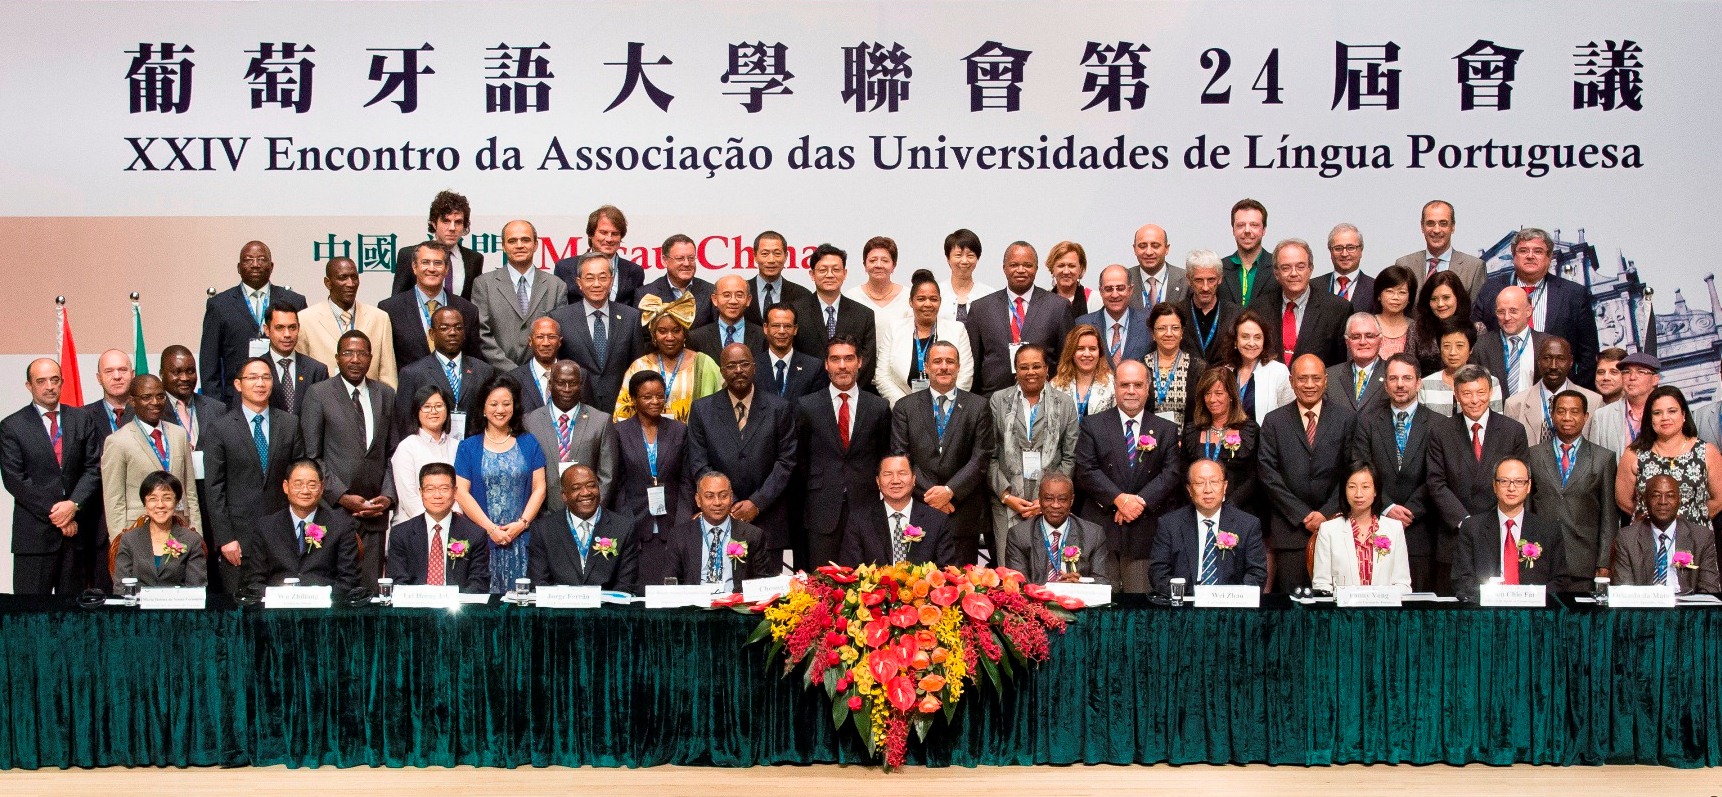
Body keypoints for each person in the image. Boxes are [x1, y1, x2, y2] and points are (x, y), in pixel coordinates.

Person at [1073, 360, 1183, 593]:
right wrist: (1120, 499)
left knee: (1140, 605)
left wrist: (1139, 501)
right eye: (1125, 385)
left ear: (1148, 388)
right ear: (1115, 387)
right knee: (1100, 604)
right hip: (1102, 529)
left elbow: (1172, 473)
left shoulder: (1166, 429)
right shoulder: (1093, 425)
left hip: (1145, 531)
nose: (1131, 391)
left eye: (1137, 385)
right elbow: (1085, 470)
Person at [301, 330, 397, 590]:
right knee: (335, 591)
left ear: (370, 358)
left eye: (361, 353)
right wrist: (342, 496)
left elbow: (392, 452)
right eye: (348, 353)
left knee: (370, 592)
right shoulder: (318, 394)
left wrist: (387, 496)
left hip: (375, 512)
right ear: (337, 358)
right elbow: (312, 456)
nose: (355, 359)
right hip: (333, 512)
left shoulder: (385, 394)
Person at [687, 343, 799, 561]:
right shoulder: (702, 410)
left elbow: (786, 462)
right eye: (731, 366)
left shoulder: (779, 408)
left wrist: (757, 503)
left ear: (754, 367)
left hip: (769, 520)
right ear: (722, 371)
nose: (738, 370)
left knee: (768, 584)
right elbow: (699, 463)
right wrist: (728, 502)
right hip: (720, 518)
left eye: (744, 364)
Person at [203, 357, 304, 596]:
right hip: (239, 540)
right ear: (238, 384)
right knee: (241, 609)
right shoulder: (220, 427)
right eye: (253, 377)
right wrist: (225, 538)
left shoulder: (289, 424)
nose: (260, 383)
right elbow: (214, 488)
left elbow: (299, 477)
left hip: (284, 537)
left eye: (266, 377)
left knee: (282, 606)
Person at [890, 340, 997, 565]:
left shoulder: (978, 406)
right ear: (927, 366)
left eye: (950, 361)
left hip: (961, 511)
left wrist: (950, 491)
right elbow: (902, 457)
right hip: (919, 511)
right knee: (918, 582)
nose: (944, 367)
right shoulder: (905, 407)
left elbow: (981, 457)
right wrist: (933, 496)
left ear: (958, 367)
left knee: (961, 583)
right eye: (937, 361)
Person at [1258, 354, 1358, 592]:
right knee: (1292, 602)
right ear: (1291, 381)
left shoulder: (1346, 418)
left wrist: (1326, 512)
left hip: (1335, 524)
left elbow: (1352, 470)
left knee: (1333, 602)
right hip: (1290, 528)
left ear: (1326, 380)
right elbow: (1267, 473)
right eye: (1302, 379)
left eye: (1316, 378)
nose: (1309, 384)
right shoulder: (1274, 421)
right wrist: (1302, 514)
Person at [2, 359, 102, 595]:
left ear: (62, 382)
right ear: (29, 386)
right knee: (30, 611)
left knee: (73, 611)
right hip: (35, 538)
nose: (49, 386)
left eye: (54, 380)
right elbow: (15, 479)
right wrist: (60, 515)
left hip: (76, 538)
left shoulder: (81, 419)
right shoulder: (12, 426)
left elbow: (93, 468)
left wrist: (73, 505)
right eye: (41, 381)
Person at [1428, 364, 1531, 593]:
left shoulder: (1513, 431)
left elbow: (1520, 481)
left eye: (1480, 392)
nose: (1474, 400)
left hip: (1500, 532)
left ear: (1491, 392)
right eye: (1467, 393)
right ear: (1456, 394)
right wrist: (1466, 522)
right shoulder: (1441, 431)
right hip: (1454, 535)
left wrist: (1492, 522)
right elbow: (1436, 483)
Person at [1349, 353, 1441, 591]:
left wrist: (1410, 510)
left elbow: (1438, 476)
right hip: (1377, 524)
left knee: (1417, 605)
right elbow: (1360, 467)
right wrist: (1387, 506)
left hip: (1421, 530)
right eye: (1393, 378)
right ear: (1385, 383)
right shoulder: (1367, 421)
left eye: (1407, 378)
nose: (1400, 384)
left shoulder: (1438, 424)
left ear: (1418, 383)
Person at [799, 335, 892, 569]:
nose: (842, 365)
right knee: (822, 581)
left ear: (859, 362)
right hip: (821, 510)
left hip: (866, 507)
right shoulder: (807, 406)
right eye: (835, 359)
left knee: (867, 580)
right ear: (826, 364)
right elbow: (800, 459)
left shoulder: (878, 407)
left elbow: (884, 455)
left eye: (849, 358)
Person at [454, 374, 547, 593]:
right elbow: (461, 493)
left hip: (522, 538)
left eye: (506, 404)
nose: (500, 410)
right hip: (482, 540)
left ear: (514, 407)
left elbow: (540, 488)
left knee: (523, 602)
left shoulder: (529, 442)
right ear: (483, 409)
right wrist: (491, 529)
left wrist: (521, 524)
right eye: (493, 404)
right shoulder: (468, 447)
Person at [1473, 228, 1599, 386]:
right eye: (1523, 251)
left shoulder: (1573, 294)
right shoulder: (1490, 291)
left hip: (1556, 392)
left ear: (1549, 257)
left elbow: (1588, 355)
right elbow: (1476, 341)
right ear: (1513, 256)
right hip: (1499, 390)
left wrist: (1571, 393)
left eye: (1538, 251)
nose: (1530, 256)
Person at [1527, 390, 1619, 591]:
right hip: (1540, 557)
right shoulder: (1534, 455)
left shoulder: (1603, 458)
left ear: (1586, 416)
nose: (1567, 417)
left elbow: (1609, 517)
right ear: (1552, 416)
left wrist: (1604, 562)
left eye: (1574, 412)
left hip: (1584, 562)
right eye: (1561, 411)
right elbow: (1527, 509)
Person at [988, 345, 1080, 543]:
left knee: (1048, 560)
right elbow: (990, 454)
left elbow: (1069, 456)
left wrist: (1048, 498)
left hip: (1052, 504)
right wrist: (1006, 496)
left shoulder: (1065, 403)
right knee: (1009, 562)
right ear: (1016, 371)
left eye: (1036, 366)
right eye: (1024, 367)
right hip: (1007, 501)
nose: (1030, 372)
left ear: (1047, 369)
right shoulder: (999, 400)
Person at [199, 241, 308, 402]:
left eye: (262, 259)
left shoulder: (294, 301)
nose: (255, 265)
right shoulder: (219, 305)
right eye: (248, 260)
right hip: (235, 400)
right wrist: (216, 407)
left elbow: (304, 353)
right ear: (238, 267)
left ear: (271, 266)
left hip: (285, 397)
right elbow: (209, 362)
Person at [966, 241, 1073, 397]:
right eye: (1014, 265)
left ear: (1036, 269)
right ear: (1004, 268)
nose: (1021, 270)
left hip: (1044, 399)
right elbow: (973, 363)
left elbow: (1066, 360)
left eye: (1028, 265)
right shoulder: (981, 308)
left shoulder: (1058, 307)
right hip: (992, 400)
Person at [638, 472, 774, 593]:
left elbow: (763, 583)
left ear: (731, 498)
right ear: (698, 500)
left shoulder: (752, 535)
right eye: (709, 496)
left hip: (735, 606)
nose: (717, 502)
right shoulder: (680, 536)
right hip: (694, 606)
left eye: (723, 496)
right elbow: (669, 581)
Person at [100, 375, 199, 538]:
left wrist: (196, 533)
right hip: (139, 533)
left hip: (180, 528)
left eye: (160, 396)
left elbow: (190, 491)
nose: (155, 402)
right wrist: (119, 543)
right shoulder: (117, 441)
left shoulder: (179, 434)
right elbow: (114, 500)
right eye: (147, 397)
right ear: (132, 401)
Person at [1149, 459, 1266, 595]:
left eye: (1214, 482)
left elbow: (1257, 574)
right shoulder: (1169, 524)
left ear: (1225, 486)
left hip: (1230, 603)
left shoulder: (1247, 524)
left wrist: (1231, 597)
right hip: (1186, 602)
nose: (1208, 490)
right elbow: (1158, 573)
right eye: (1200, 483)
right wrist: (1194, 597)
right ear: (1189, 489)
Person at [1450, 458, 1563, 600]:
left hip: (1534, 609)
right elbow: (1462, 579)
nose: (1511, 488)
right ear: (1494, 485)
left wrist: (1530, 598)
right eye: (1504, 481)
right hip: (1486, 608)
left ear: (1528, 486)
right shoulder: (1472, 528)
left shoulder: (1548, 529)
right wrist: (1492, 597)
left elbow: (1560, 580)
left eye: (1519, 481)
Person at [245, 457, 361, 593]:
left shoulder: (342, 525)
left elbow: (348, 580)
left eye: (312, 485)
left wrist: (320, 597)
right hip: (279, 603)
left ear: (322, 488)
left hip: (324, 603)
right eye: (298, 484)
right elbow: (255, 581)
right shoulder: (266, 527)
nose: (305, 491)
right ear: (286, 487)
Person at [548, 251, 645, 413]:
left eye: (603, 277)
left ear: (611, 281)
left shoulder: (631, 317)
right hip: (575, 407)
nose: (596, 284)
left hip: (621, 408)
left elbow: (638, 366)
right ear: (579, 283)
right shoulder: (560, 319)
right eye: (589, 278)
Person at [1616, 385, 1722, 524]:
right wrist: (1654, 523)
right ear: (1650, 418)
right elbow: (1623, 500)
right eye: (1657, 413)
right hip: (1648, 534)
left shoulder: (1707, 451)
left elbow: (1719, 499)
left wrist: (1693, 523)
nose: (1665, 418)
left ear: (1683, 415)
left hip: (1694, 534)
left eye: (1672, 411)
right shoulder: (1634, 454)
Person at [527, 464, 640, 593]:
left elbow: (626, 585)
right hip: (559, 604)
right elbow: (538, 583)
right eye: (576, 488)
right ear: (564, 496)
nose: (586, 492)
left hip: (606, 605)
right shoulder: (544, 529)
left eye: (591, 486)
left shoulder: (623, 527)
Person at [473, 219, 567, 372]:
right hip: (497, 376)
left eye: (525, 240)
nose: (519, 245)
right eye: (512, 241)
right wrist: (514, 372)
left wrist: (533, 374)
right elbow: (482, 334)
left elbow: (557, 335)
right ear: (503, 246)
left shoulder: (556, 286)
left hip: (542, 377)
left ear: (535, 245)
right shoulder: (484, 284)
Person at [613, 292, 723, 421]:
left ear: (684, 334)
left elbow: (721, 407)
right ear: (654, 335)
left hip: (692, 434)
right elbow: (622, 414)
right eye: (662, 331)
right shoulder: (639, 366)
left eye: (676, 330)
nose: (670, 337)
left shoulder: (704, 364)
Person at [606, 371, 694, 532]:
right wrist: (626, 523)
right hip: (634, 523)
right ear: (633, 399)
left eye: (660, 396)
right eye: (647, 397)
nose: (655, 401)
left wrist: (682, 520)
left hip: (672, 522)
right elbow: (617, 484)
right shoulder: (619, 432)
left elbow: (686, 480)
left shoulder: (679, 430)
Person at [523, 362, 615, 513]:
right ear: (550, 385)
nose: (567, 389)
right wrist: (539, 514)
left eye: (572, 383)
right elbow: (526, 475)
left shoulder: (601, 421)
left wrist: (591, 512)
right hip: (543, 515)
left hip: (589, 514)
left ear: (581, 385)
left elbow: (607, 476)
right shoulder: (530, 422)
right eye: (561, 383)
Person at [384, 462, 491, 592]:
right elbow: (398, 581)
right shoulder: (401, 533)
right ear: (421, 492)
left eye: (444, 489)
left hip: (458, 603)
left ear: (455, 492)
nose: (437, 496)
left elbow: (478, 583)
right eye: (430, 489)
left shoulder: (475, 534)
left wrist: (452, 599)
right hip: (415, 602)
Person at [393, 306, 495, 440]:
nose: (452, 332)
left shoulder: (484, 371)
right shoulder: (412, 373)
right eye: (444, 328)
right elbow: (404, 422)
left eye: (458, 328)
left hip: (474, 446)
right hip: (429, 448)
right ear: (432, 334)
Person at [877, 269, 974, 406]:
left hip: (947, 408)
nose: (927, 304)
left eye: (933, 299)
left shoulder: (957, 330)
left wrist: (944, 405)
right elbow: (882, 376)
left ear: (940, 301)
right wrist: (906, 407)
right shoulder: (895, 329)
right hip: (904, 409)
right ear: (911, 302)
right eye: (921, 299)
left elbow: (965, 375)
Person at [378, 241, 484, 367]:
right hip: (410, 379)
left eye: (438, 263)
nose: (432, 269)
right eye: (425, 262)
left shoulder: (467, 310)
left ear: (446, 269)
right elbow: (386, 362)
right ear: (414, 267)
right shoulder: (390, 309)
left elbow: (474, 361)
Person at [839, 455, 956, 568]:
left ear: (914, 479)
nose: (895, 480)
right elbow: (850, 570)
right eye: (888, 474)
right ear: (878, 481)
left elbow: (946, 570)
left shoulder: (937, 520)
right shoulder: (860, 520)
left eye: (902, 473)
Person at [298, 256, 399, 387]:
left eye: (354, 277)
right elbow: (303, 373)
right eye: (343, 278)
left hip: (369, 397)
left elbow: (388, 375)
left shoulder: (379, 318)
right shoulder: (305, 319)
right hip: (324, 398)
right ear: (328, 283)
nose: (350, 284)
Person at [1612, 474, 1720, 593]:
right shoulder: (1627, 538)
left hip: (1687, 604)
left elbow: (1709, 590)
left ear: (1679, 500)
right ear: (1645, 500)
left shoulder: (1701, 537)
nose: (1663, 502)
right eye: (1656, 495)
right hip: (1645, 603)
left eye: (1670, 496)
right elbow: (1624, 592)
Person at [792, 243, 878, 392]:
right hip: (806, 396)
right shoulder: (796, 312)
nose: (830, 275)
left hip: (850, 396)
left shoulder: (863, 314)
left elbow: (867, 363)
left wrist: (845, 391)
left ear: (845, 273)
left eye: (836, 269)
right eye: (823, 270)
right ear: (812, 274)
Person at [1250, 239, 1349, 367]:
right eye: (1286, 268)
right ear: (1276, 273)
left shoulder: (1337, 309)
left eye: (1300, 267)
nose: (1294, 273)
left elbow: (1341, 365)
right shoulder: (1258, 309)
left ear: (1310, 269)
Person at [1311, 466, 1411, 593]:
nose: (1358, 494)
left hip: (1384, 605)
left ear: (1375, 491)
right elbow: (1321, 584)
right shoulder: (1328, 530)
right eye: (1352, 487)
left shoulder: (1394, 529)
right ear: (1344, 491)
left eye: (1365, 487)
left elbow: (1403, 584)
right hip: (1342, 605)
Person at [1005, 473, 1117, 584]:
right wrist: (1051, 591)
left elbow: (1102, 582)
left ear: (1071, 500)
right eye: (1048, 499)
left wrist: (1080, 585)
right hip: (1037, 596)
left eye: (1062, 499)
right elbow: (1018, 584)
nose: (1055, 505)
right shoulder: (1019, 535)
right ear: (1039, 499)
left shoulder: (1093, 535)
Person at [1181, 367, 1259, 510]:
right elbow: (1183, 474)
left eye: (1219, 393)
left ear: (1231, 395)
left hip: (1239, 510)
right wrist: (1199, 503)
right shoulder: (1192, 431)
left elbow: (1254, 476)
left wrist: (1228, 506)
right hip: (1198, 509)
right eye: (1207, 393)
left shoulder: (1250, 430)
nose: (1212, 399)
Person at [112, 472, 207, 587]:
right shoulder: (129, 539)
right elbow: (121, 587)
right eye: (153, 499)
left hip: (178, 599)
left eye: (167, 498)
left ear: (176, 502)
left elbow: (196, 589)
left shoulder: (191, 540)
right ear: (145, 503)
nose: (160, 505)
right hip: (138, 599)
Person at [1503, 336, 1601, 446]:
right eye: (1547, 358)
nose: (1553, 366)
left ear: (1571, 362)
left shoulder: (1594, 402)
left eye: (1561, 359)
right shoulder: (1514, 405)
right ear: (1538, 361)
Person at [389, 190, 484, 299]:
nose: (452, 228)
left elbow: (473, 303)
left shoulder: (474, 259)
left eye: (458, 222)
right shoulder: (408, 254)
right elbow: (397, 301)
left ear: (464, 226)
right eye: (446, 221)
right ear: (434, 223)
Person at [388, 384, 459, 521]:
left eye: (439, 406)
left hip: (454, 524)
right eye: (426, 407)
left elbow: (460, 491)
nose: (433, 411)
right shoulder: (407, 447)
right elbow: (408, 497)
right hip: (413, 524)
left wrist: (453, 522)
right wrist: (435, 524)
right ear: (417, 412)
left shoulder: (458, 447)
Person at [550, 204, 646, 307]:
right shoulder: (565, 268)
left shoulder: (635, 272)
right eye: (603, 232)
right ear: (590, 234)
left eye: (615, 234)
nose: (609, 239)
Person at [1394, 199, 1487, 301]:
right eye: (1430, 223)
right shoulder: (1404, 264)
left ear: (1453, 227)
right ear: (1422, 227)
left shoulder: (1474, 268)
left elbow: (1476, 309)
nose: (1436, 230)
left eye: (1443, 223)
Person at [1473, 286, 1547, 400]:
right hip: (1496, 410)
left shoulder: (1546, 344)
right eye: (1501, 312)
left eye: (1513, 311)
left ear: (1528, 311)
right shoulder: (1481, 346)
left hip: (1535, 410)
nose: (1507, 317)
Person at [1419, 319, 1505, 418]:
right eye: (1446, 346)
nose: (1452, 352)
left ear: (1471, 349)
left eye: (1459, 346)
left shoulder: (1490, 382)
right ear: (1439, 348)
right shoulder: (1425, 384)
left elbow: (1496, 422)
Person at [1221, 310, 1294, 423]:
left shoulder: (1278, 372)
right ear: (1235, 341)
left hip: (1264, 434)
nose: (1251, 343)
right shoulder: (1225, 372)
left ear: (1264, 341)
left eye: (1257, 337)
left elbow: (1289, 416)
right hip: (1229, 433)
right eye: (1245, 337)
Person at [1585, 352, 1661, 456]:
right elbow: (1594, 459)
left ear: (1655, 379)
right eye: (1627, 372)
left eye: (1640, 372)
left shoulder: (1668, 412)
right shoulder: (1602, 416)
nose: (1632, 377)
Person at [1076, 264, 1150, 369]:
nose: (1115, 295)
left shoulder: (1147, 324)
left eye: (1120, 288)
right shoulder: (1082, 324)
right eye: (1109, 289)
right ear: (1101, 291)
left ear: (1130, 290)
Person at [1144, 303, 1204, 426]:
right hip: (1148, 436)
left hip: (1188, 436)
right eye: (1162, 328)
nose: (1169, 333)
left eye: (1175, 328)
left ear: (1182, 332)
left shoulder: (1198, 368)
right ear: (1152, 334)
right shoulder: (1141, 367)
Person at [639, 234, 716, 329]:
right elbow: (642, 335)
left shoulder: (710, 291)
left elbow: (715, 332)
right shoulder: (645, 294)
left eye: (691, 258)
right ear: (665, 260)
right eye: (680, 258)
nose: (687, 263)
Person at [1407, 270, 1475, 377]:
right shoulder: (1416, 329)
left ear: (1458, 298)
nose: (1440, 304)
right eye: (1433, 299)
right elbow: (1408, 368)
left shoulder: (1476, 328)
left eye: (1446, 297)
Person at [261, 305, 327, 415]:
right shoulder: (254, 369)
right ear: (267, 330)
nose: (287, 334)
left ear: (298, 328)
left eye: (292, 327)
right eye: (279, 328)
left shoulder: (316, 370)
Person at [757, 303, 829, 402]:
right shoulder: (753, 366)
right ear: (765, 328)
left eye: (787, 326)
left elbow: (816, 406)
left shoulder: (813, 367)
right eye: (776, 326)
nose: (782, 331)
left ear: (795, 329)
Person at [1177, 250, 1239, 363]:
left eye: (1211, 280)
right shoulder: (1176, 313)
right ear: (1189, 280)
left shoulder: (1236, 314)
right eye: (1199, 280)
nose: (1205, 287)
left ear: (1220, 279)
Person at [1323, 313, 1387, 417]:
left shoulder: (1393, 374)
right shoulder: (1330, 376)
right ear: (1347, 342)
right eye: (1356, 337)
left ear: (1380, 341)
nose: (1363, 342)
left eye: (1369, 336)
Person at [743, 231, 813, 324]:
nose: (771, 260)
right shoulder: (741, 291)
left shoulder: (802, 295)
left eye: (777, 253)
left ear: (786, 256)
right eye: (765, 253)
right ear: (755, 256)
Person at [844, 235, 912, 330]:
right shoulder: (851, 297)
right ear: (865, 265)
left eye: (885, 261)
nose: (878, 265)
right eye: (873, 260)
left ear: (894, 265)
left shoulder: (908, 297)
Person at [689, 274, 765, 356]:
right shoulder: (696, 337)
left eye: (739, 295)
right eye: (726, 295)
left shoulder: (763, 336)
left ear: (748, 300)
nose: (733, 301)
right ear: (715, 299)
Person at [1050, 324, 1115, 417]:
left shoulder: (1112, 385)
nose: (1087, 354)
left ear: (1099, 352)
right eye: (1080, 349)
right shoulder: (1056, 385)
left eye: (1092, 349)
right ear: (1071, 352)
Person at [1313, 223, 1377, 314]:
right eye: (1338, 248)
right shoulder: (1313, 287)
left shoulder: (1376, 288)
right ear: (1330, 251)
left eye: (1351, 248)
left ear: (1361, 251)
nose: (1344, 254)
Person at [1220, 198, 1273, 307]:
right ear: (1233, 230)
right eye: (1241, 225)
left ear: (1264, 230)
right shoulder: (1219, 268)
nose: (1247, 230)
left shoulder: (1278, 267)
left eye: (1254, 225)